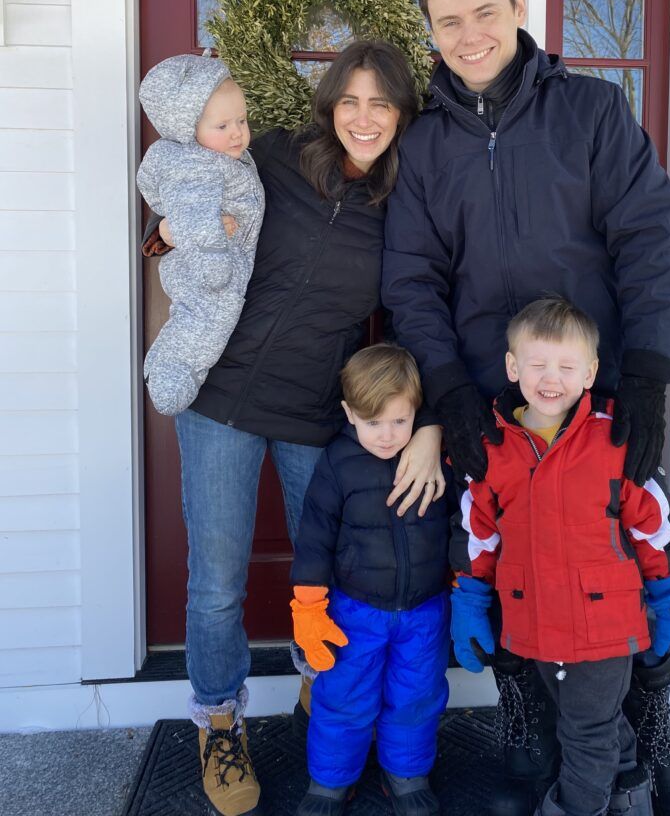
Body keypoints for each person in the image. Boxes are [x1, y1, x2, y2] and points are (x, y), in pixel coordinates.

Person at [381, 0, 670, 816]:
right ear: (431, 32)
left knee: (639, 561)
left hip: (596, 395)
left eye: (484, 12)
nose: (469, 34)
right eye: (448, 21)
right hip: (493, 402)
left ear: (520, 7)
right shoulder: (425, 145)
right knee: (502, 565)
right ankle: (529, 734)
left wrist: (648, 372)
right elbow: (412, 280)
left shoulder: (592, 111)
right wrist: (452, 389)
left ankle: (654, 741)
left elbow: (649, 238)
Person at [143, 41, 445, 816]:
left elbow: (418, 308)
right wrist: (165, 231)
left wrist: (426, 419)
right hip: (223, 399)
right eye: (351, 100)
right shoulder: (272, 156)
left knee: (338, 569)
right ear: (330, 103)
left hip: (318, 412)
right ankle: (219, 723)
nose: (364, 118)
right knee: (217, 583)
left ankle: (326, 697)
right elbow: (187, 184)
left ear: (402, 114)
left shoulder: (406, 199)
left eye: (382, 103)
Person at [449, 297, 670, 816]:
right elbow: (478, 531)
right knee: (593, 721)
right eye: (538, 364)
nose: (551, 379)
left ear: (590, 373)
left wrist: (669, 592)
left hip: (604, 623)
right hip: (534, 620)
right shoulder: (493, 446)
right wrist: (470, 598)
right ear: (512, 367)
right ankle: (630, 795)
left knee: (585, 734)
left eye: (567, 367)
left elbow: (651, 522)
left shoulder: (613, 440)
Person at [290, 344, 451, 816]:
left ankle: (406, 773)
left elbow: (461, 522)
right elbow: (314, 537)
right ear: (349, 414)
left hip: (424, 610)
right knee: (344, 696)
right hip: (355, 612)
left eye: (400, 421)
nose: (387, 435)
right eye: (373, 422)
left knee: (417, 696)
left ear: (417, 412)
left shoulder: (434, 458)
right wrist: (308, 606)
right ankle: (330, 781)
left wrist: (466, 584)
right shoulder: (338, 463)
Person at [137, 54, 264, 415]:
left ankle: (165, 366)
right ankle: (171, 381)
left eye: (241, 120)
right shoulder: (194, 165)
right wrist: (213, 268)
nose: (237, 132)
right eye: (222, 125)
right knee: (206, 325)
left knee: (194, 321)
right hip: (209, 270)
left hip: (217, 265)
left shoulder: (224, 157)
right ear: (188, 127)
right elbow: (193, 216)